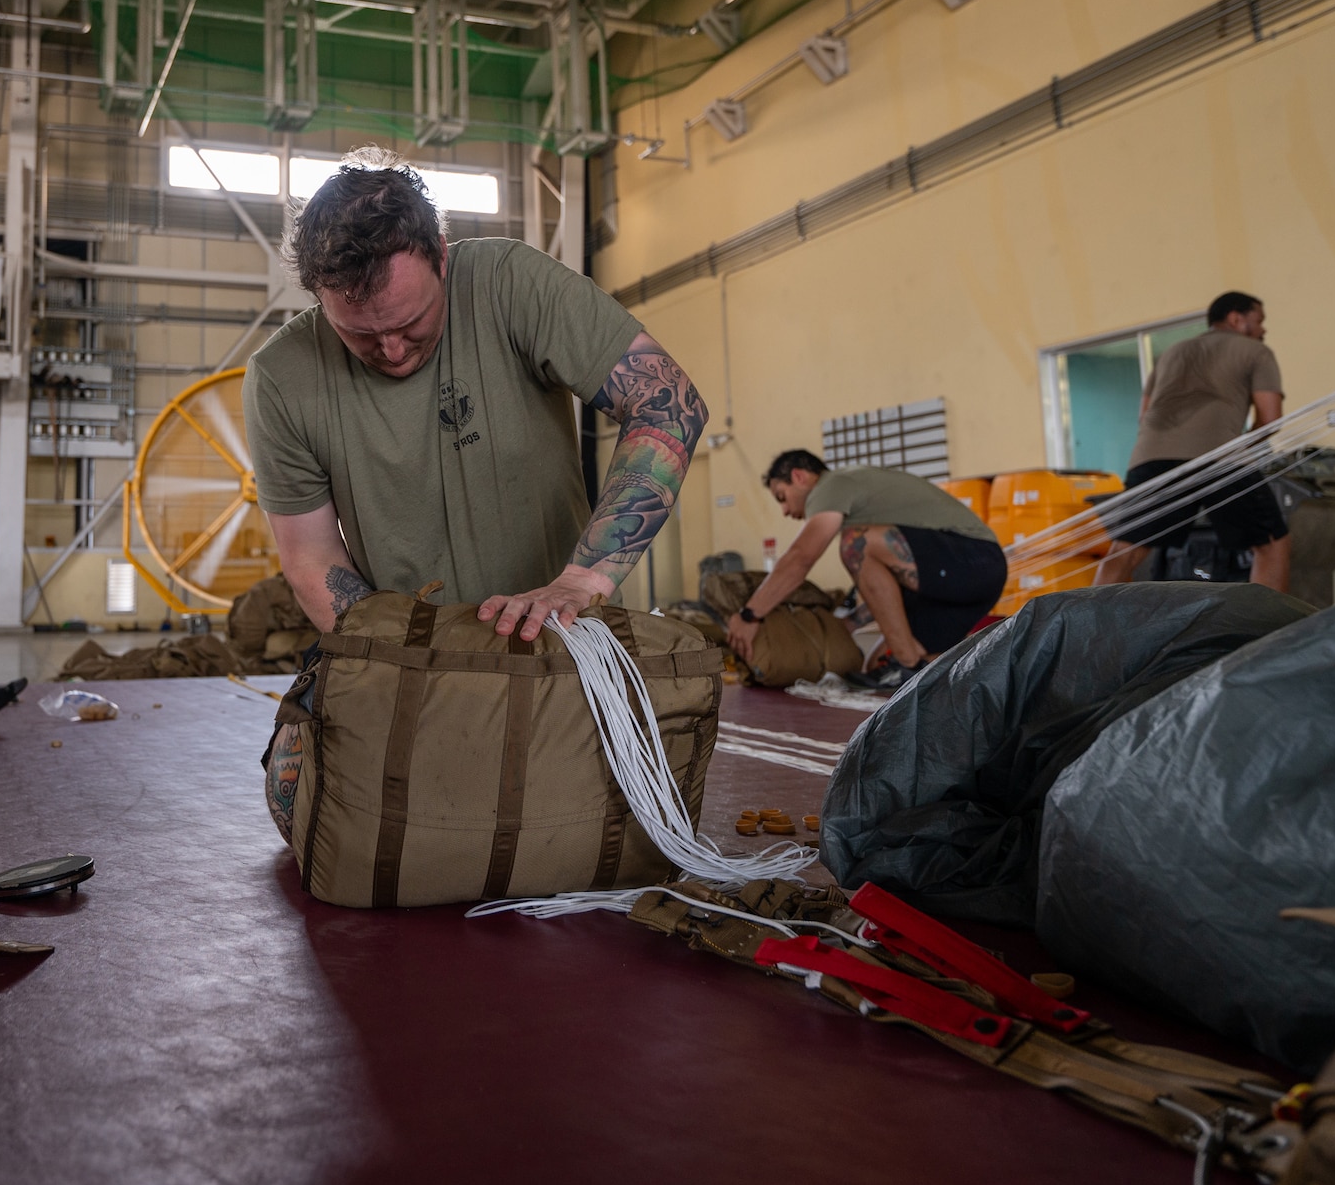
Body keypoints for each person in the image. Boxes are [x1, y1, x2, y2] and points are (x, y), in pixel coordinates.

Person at [245, 149, 708, 839]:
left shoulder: (508, 280)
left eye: (412, 323)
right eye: (363, 336)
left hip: (561, 641)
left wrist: (582, 580)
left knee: (616, 821)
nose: (394, 351)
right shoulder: (282, 376)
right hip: (411, 662)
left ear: (440, 253)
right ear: (318, 296)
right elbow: (312, 559)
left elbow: (667, 405)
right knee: (297, 796)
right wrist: (416, 665)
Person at [729, 451, 1008, 689]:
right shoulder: (860, 502)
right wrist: (850, 623)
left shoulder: (831, 485)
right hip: (965, 579)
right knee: (876, 665)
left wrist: (750, 615)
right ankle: (990, 673)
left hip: (973, 559)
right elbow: (888, 584)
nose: (785, 511)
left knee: (856, 543)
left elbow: (801, 557)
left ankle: (907, 663)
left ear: (800, 477)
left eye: (782, 497)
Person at [1093, 291, 1289, 591]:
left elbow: (1144, 417)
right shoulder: (1256, 351)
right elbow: (1271, 419)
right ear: (1237, 319)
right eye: (1259, 320)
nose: (1263, 329)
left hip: (1152, 457)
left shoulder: (1170, 353)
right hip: (1222, 459)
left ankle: (1090, 630)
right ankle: (1272, 631)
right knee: (1270, 546)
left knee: (1125, 550)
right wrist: (1243, 447)